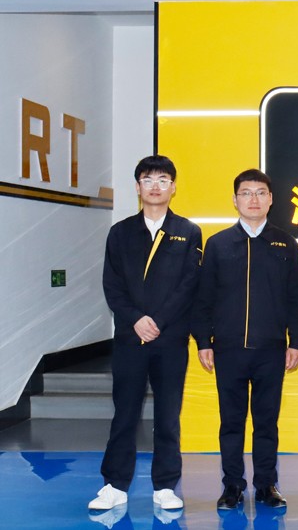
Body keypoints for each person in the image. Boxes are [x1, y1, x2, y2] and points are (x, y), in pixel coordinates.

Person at [89, 155, 202, 512]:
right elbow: (112, 285)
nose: (156, 186)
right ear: (137, 187)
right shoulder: (120, 232)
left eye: (163, 180)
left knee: (168, 416)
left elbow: (189, 285)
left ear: (173, 187)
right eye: (148, 180)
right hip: (130, 339)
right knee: (125, 414)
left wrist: (159, 321)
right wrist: (136, 319)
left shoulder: (188, 231)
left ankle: (165, 485)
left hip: (170, 341)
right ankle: (114, 485)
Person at [192, 169, 298, 510]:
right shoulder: (218, 244)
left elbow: (297, 298)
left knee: (266, 423)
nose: (253, 199)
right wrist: (203, 341)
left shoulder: (285, 243)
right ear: (235, 200)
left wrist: (296, 341)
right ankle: (232, 486)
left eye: (260, 192)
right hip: (228, 350)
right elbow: (203, 298)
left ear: (271, 199)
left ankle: (267, 485)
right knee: (231, 422)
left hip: (271, 351)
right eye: (246, 193)